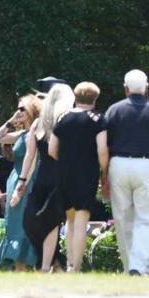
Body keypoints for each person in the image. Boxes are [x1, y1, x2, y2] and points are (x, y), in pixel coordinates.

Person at [101, 70, 149, 275]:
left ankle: (128, 266)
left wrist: (103, 176)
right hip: (147, 165)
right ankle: (137, 265)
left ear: (125, 88)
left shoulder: (114, 110)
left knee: (122, 218)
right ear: (146, 88)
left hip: (118, 164)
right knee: (147, 218)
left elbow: (104, 147)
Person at [12, 83, 74, 272]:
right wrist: (21, 182)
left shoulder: (41, 123)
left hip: (44, 178)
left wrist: (22, 181)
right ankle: (51, 262)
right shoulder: (61, 122)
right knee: (42, 223)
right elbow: (30, 155)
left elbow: (31, 155)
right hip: (56, 177)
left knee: (44, 223)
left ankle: (46, 265)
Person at [49, 82, 108, 272]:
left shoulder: (63, 118)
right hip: (86, 175)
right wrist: (104, 171)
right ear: (95, 98)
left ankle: (69, 263)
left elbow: (52, 149)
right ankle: (76, 267)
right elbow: (102, 150)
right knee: (82, 222)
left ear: (76, 97)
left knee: (70, 221)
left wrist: (65, 162)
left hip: (63, 175)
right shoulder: (98, 119)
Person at [0, 95, 42, 271]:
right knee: (14, 225)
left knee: (29, 225)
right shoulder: (21, 134)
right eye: (18, 108)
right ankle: (19, 269)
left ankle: (38, 266)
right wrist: (11, 120)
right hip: (14, 181)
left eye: (22, 108)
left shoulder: (39, 132)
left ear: (32, 110)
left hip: (31, 181)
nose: (19, 111)